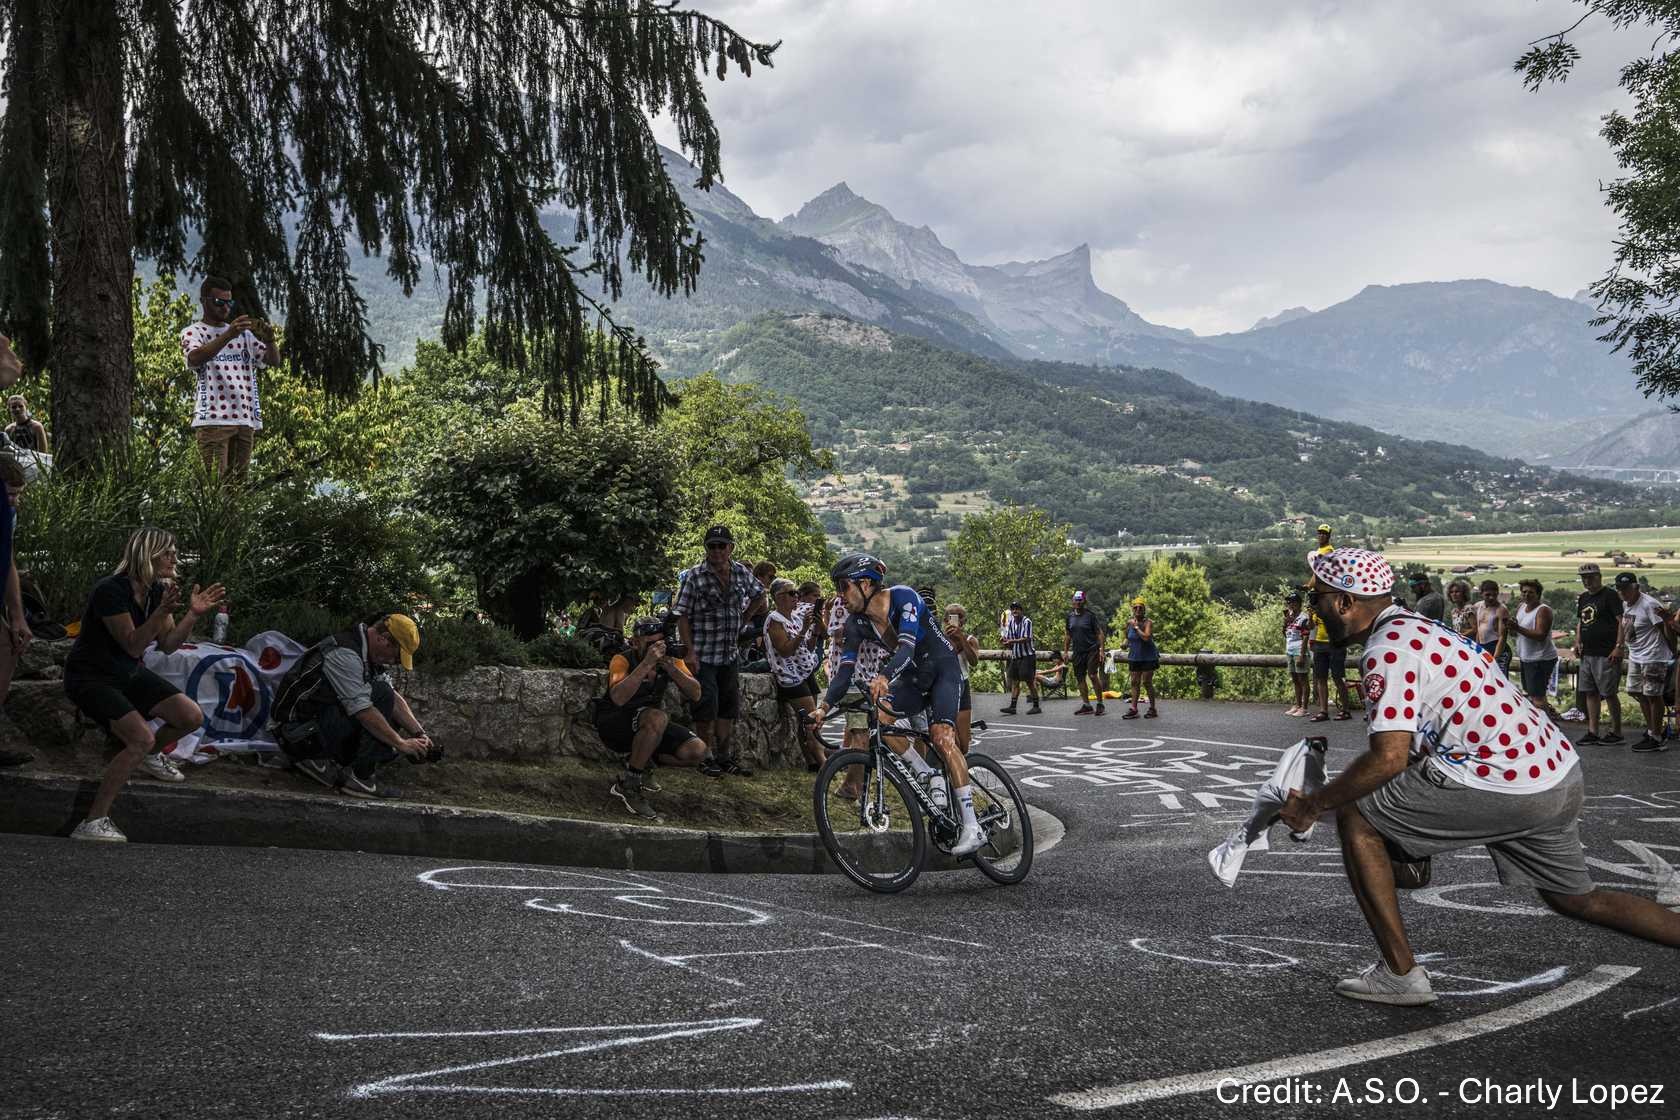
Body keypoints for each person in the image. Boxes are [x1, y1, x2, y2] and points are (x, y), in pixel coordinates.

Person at [1280, 548, 1680, 1006]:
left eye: (1317, 599)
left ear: (1345, 603)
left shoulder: (1385, 649)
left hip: (1500, 780)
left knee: (1357, 816)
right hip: (1555, 773)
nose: (1313, 609)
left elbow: (1387, 759)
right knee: (1579, 899)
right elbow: (1413, 747)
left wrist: (1313, 804)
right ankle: (1407, 857)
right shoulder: (1420, 630)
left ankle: (1400, 973)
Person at [815, 553, 985, 856]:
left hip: (943, 669)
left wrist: (883, 676)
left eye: (843, 587)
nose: (840, 596)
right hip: (914, 677)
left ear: (866, 583)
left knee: (943, 739)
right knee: (880, 718)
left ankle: (973, 826)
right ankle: (925, 773)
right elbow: (844, 672)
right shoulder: (857, 624)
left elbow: (906, 647)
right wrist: (823, 709)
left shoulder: (904, 597)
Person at [63, 528, 227, 842]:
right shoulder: (110, 590)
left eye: (175, 552)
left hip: (126, 672)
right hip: (91, 677)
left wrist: (191, 614)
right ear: (147, 554)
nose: (174, 558)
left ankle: (152, 756)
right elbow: (133, 646)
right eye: (168, 552)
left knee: (190, 716)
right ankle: (93, 821)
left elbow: (167, 644)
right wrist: (162, 611)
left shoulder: (155, 592)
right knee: (140, 738)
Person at [269, 612, 429, 798]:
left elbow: (394, 700)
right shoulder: (344, 653)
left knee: (384, 697)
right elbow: (363, 711)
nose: (395, 663)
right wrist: (401, 743)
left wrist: (419, 734)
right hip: (294, 735)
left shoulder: (367, 653)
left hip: (312, 727)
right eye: (397, 657)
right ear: (383, 639)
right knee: (380, 699)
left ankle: (325, 762)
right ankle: (360, 778)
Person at [673, 525, 767, 777]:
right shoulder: (695, 576)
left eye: (721, 545)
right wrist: (689, 652)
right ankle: (706, 757)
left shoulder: (740, 573)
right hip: (703, 654)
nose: (716, 551)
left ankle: (724, 757)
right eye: (711, 546)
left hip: (729, 653)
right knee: (706, 708)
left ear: (730, 548)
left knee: (727, 708)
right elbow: (681, 614)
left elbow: (760, 594)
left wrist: (745, 618)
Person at [596, 617, 708, 820]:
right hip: (614, 720)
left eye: (660, 643)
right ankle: (629, 784)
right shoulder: (622, 660)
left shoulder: (670, 659)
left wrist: (672, 668)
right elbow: (618, 698)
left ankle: (644, 759)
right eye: (650, 644)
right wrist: (646, 664)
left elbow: (696, 693)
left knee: (698, 751)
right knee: (657, 716)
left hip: (648, 724)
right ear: (635, 642)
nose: (656, 649)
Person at [180, 275, 282, 480]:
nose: (225, 307)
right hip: (213, 420)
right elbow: (195, 358)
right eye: (219, 302)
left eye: (229, 302)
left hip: (245, 419)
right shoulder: (193, 332)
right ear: (204, 301)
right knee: (214, 488)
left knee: (238, 488)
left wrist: (270, 339)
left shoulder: (244, 334)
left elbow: (272, 361)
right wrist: (228, 335)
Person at [824, 578, 889, 800]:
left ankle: (855, 784)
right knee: (859, 729)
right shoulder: (843, 604)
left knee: (859, 730)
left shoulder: (872, 605)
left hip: (864, 675)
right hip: (853, 675)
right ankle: (853, 782)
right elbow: (838, 635)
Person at [765, 578, 825, 769]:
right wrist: (804, 630)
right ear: (778, 597)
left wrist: (814, 629)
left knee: (807, 721)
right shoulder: (775, 620)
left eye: (796, 593)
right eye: (791, 593)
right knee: (811, 720)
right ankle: (822, 763)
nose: (796, 597)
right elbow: (785, 650)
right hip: (790, 676)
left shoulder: (796, 617)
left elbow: (808, 646)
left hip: (806, 671)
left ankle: (812, 762)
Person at [1616, 572, 1676, 753]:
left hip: (1653, 656)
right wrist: (1619, 645)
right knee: (1635, 691)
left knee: (1653, 695)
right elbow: (1623, 624)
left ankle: (1656, 737)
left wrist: (1673, 651)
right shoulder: (1625, 603)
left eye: (1627, 589)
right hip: (1636, 655)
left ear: (1636, 588)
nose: (1623, 593)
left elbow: (1666, 628)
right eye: (1620, 589)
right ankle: (1653, 730)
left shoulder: (1650, 605)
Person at [0, 454, 31, 767]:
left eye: (19, 495)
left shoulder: (8, 515)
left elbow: (7, 561)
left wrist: (17, 615)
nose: (14, 501)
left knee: (9, 648)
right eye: (9, 494)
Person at [1574, 563, 1625, 745]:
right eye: (1584, 577)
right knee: (1590, 692)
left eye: (1591, 577)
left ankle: (1616, 731)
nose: (1587, 580)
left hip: (1606, 652)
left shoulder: (1610, 595)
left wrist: (1619, 646)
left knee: (1609, 693)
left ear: (1599, 576)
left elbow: (1621, 622)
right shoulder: (1584, 598)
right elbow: (1581, 621)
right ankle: (1593, 731)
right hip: (1587, 652)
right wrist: (1578, 640)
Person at [1510, 578, 1558, 719]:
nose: (1526, 595)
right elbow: (1518, 632)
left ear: (1538, 594)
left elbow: (1540, 635)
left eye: (1531, 592)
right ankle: (1547, 726)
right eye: (1524, 592)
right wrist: (1512, 628)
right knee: (1535, 694)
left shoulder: (1543, 610)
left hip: (1540, 658)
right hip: (1527, 657)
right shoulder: (1521, 607)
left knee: (1537, 697)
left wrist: (1517, 627)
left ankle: (1546, 729)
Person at [942, 603, 980, 753]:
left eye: (960, 617)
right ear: (946, 620)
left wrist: (961, 638)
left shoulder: (971, 640)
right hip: (945, 685)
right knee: (950, 736)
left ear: (964, 620)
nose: (957, 620)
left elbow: (974, 661)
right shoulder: (940, 639)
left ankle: (961, 766)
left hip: (963, 684)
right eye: (952, 616)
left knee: (964, 744)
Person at [1064, 590, 1107, 716]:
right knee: (1080, 678)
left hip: (1091, 650)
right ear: (1072, 602)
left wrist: (1102, 650)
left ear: (1084, 601)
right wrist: (1066, 652)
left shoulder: (1090, 616)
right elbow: (1068, 635)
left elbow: (1099, 633)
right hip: (1078, 651)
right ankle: (1087, 705)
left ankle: (1100, 703)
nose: (1078, 602)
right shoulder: (1070, 617)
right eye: (1076, 600)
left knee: (1093, 675)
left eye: (1080, 600)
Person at [998, 601, 1040, 716]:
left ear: (1021, 610)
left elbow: (1026, 638)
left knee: (1029, 681)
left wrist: (1011, 641)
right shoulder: (1011, 622)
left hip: (1027, 656)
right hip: (1016, 656)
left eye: (1017, 609)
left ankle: (1036, 706)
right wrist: (1005, 642)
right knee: (1015, 681)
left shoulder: (1027, 622)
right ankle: (1012, 707)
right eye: (1013, 609)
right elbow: (1010, 641)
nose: (1015, 611)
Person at [1122, 597, 1159, 719]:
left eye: (1140, 608)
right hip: (1134, 656)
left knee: (1147, 682)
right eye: (1135, 608)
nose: (1138, 610)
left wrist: (1137, 627)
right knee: (1134, 682)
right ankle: (1133, 708)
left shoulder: (1148, 622)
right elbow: (1127, 636)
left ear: (1144, 610)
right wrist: (1124, 643)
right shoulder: (1129, 623)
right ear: (1133, 609)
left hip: (1148, 657)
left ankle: (1152, 708)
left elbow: (1146, 637)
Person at [1473, 579, 1511, 676]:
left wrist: (1495, 657)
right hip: (1483, 646)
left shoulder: (1501, 610)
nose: (1491, 598)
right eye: (1487, 595)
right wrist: (1477, 650)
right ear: (1481, 593)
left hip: (1498, 648)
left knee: (1500, 679)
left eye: (1494, 595)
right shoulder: (1478, 606)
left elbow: (1503, 636)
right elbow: (1478, 629)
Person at [1284, 590, 1312, 717]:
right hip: (1289, 650)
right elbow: (1285, 634)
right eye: (1289, 602)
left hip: (1299, 650)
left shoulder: (1303, 618)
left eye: (1293, 602)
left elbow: (1306, 636)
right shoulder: (1289, 617)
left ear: (1299, 603)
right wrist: (1285, 622)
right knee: (1295, 679)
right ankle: (1297, 704)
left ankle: (1304, 708)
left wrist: (1301, 654)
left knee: (1303, 679)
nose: (1291, 604)